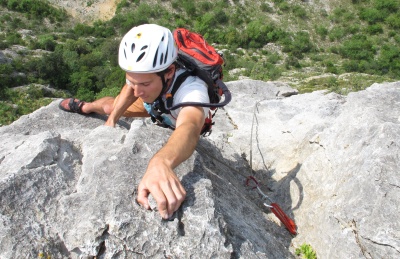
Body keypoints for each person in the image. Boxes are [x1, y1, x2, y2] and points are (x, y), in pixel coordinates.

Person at [59, 24, 210, 220]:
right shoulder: (145, 79)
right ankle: (87, 106)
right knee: (110, 108)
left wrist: (161, 162)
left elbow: (189, 126)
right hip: (157, 104)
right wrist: (111, 121)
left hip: (172, 110)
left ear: (170, 71)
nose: (137, 91)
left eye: (145, 84)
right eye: (132, 80)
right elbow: (131, 88)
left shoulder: (193, 90)